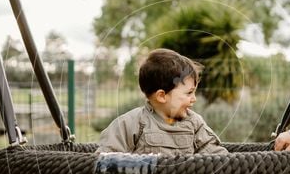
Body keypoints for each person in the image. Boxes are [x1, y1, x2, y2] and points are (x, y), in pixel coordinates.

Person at [96, 48, 228, 156]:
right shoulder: (130, 124)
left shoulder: (194, 123)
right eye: (189, 93)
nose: (194, 98)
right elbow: (104, 161)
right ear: (161, 96)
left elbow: (218, 158)